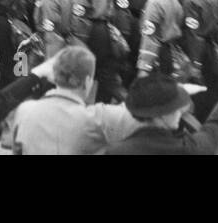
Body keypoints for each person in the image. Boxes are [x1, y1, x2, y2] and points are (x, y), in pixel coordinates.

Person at [103, 65, 218, 155]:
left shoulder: (115, 150)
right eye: (175, 108)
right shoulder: (184, 149)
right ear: (161, 116)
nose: (179, 112)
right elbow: (215, 125)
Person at [10, 46, 140, 155]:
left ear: (53, 75)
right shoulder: (97, 118)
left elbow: (17, 150)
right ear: (88, 81)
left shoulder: (25, 110)